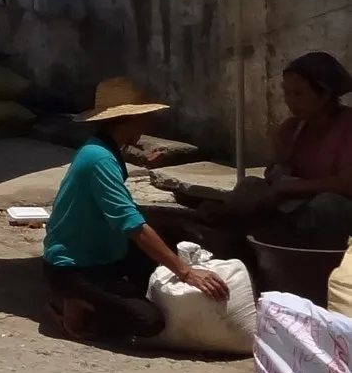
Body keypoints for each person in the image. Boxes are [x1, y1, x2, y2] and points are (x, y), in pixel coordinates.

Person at [44, 77, 229, 340]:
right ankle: (76, 303)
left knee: (169, 231)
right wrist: (186, 272)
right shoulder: (99, 159)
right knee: (147, 321)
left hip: (103, 253)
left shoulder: (106, 150)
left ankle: (96, 296)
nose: (146, 125)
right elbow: (130, 224)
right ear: (130, 120)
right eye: (143, 118)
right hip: (75, 267)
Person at [167, 51, 352, 255]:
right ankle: (221, 239)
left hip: (334, 212)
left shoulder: (347, 126)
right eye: (287, 93)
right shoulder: (293, 128)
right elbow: (274, 174)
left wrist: (293, 187)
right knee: (249, 187)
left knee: (327, 205)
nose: (290, 101)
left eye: (299, 94)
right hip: (295, 202)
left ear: (325, 95)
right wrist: (277, 171)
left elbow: (346, 184)